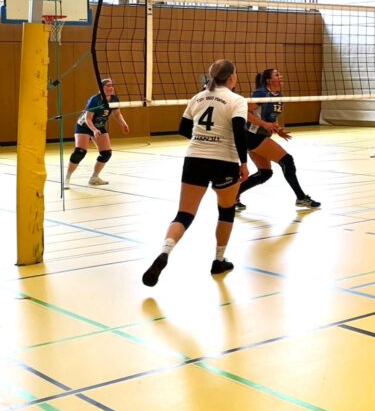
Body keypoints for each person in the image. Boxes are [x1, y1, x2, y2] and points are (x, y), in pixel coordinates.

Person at [142, 59, 250, 287]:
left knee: (184, 214)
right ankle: (219, 260)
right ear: (231, 78)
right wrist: (244, 163)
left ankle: (165, 252)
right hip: (224, 161)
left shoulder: (197, 98)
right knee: (226, 211)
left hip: (195, 159)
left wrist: (202, 139)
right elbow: (240, 133)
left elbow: (182, 128)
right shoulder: (237, 100)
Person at [235, 68, 319, 212]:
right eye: (277, 75)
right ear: (269, 80)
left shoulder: (278, 95)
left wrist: (278, 130)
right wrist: (264, 125)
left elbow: (270, 118)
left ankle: (232, 196)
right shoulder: (261, 93)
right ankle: (301, 197)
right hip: (251, 135)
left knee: (265, 173)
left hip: (258, 136)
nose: (281, 76)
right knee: (287, 161)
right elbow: (244, 112)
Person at [64, 78, 129, 188]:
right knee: (80, 152)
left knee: (106, 153)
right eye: (107, 86)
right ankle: (67, 178)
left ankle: (94, 178)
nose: (111, 88)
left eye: (112, 85)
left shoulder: (114, 99)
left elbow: (117, 114)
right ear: (101, 89)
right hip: (84, 126)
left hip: (99, 126)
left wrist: (123, 124)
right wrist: (94, 130)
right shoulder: (95, 100)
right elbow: (88, 119)